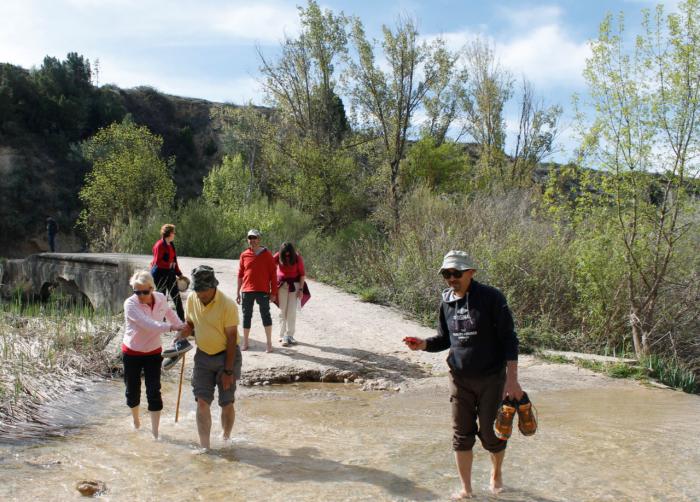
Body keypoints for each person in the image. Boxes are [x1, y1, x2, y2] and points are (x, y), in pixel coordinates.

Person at [403, 250, 522, 499]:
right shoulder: (446, 301)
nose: (451, 278)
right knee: (461, 434)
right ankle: (467, 490)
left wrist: (512, 380)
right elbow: (445, 339)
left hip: (492, 377)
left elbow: (509, 339)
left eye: (456, 273)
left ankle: (496, 474)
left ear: (471, 273)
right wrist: (423, 344)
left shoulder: (491, 297)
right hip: (459, 378)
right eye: (446, 274)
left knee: (491, 434)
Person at [175, 265, 241, 449]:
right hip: (203, 356)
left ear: (213, 287)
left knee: (226, 402)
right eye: (197, 289)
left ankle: (226, 438)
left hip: (227, 356)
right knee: (202, 402)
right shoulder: (192, 299)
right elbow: (190, 322)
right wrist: (184, 332)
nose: (200, 294)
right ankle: (206, 447)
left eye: (204, 290)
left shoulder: (227, 305)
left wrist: (228, 371)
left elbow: (231, 340)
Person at [122, 270, 185, 439]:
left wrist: (181, 327)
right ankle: (136, 422)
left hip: (153, 352)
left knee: (154, 392)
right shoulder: (130, 304)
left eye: (145, 291)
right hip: (132, 352)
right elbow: (148, 324)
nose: (141, 295)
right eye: (137, 292)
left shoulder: (161, 298)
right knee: (132, 391)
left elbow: (170, 314)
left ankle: (155, 433)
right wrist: (172, 328)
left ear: (152, 288)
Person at [236, 229, 278, 352]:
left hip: (263, 291)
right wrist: (237, 292)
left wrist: (273, 292)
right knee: (246, 316)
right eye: (250, 238)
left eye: (255, 238)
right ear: (247, 240)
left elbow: (273, 276)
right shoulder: (244, 255)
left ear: (259, 239)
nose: (252, 240)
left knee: (266, 315)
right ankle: (246, 343)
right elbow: (240, 275)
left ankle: (269, 344)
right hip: (247, 291)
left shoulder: (267, 255)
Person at [273, 242, 309, 347]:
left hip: (295, 286)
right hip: (282, 286)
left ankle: (290, 335)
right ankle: (282, 335)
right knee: (282, 310)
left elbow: (302, 274)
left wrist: (301, 289)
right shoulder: (278, 255)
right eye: (285, 254)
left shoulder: (297, 257)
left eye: (289, 254)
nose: (287, 256)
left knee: (291, 311)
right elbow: (269, 265)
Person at [151, 224, 185, 321]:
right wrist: (169, 266)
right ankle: (162, 320)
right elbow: (157, 262)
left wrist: (179, 273)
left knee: (176, 297)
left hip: (170, 273)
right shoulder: (159, 245)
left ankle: (182, 320)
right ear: (169, 233)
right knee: (162, 298)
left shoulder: (171, 244)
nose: (174, 234)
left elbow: (174, 261)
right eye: (174, 232)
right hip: (159, 274)